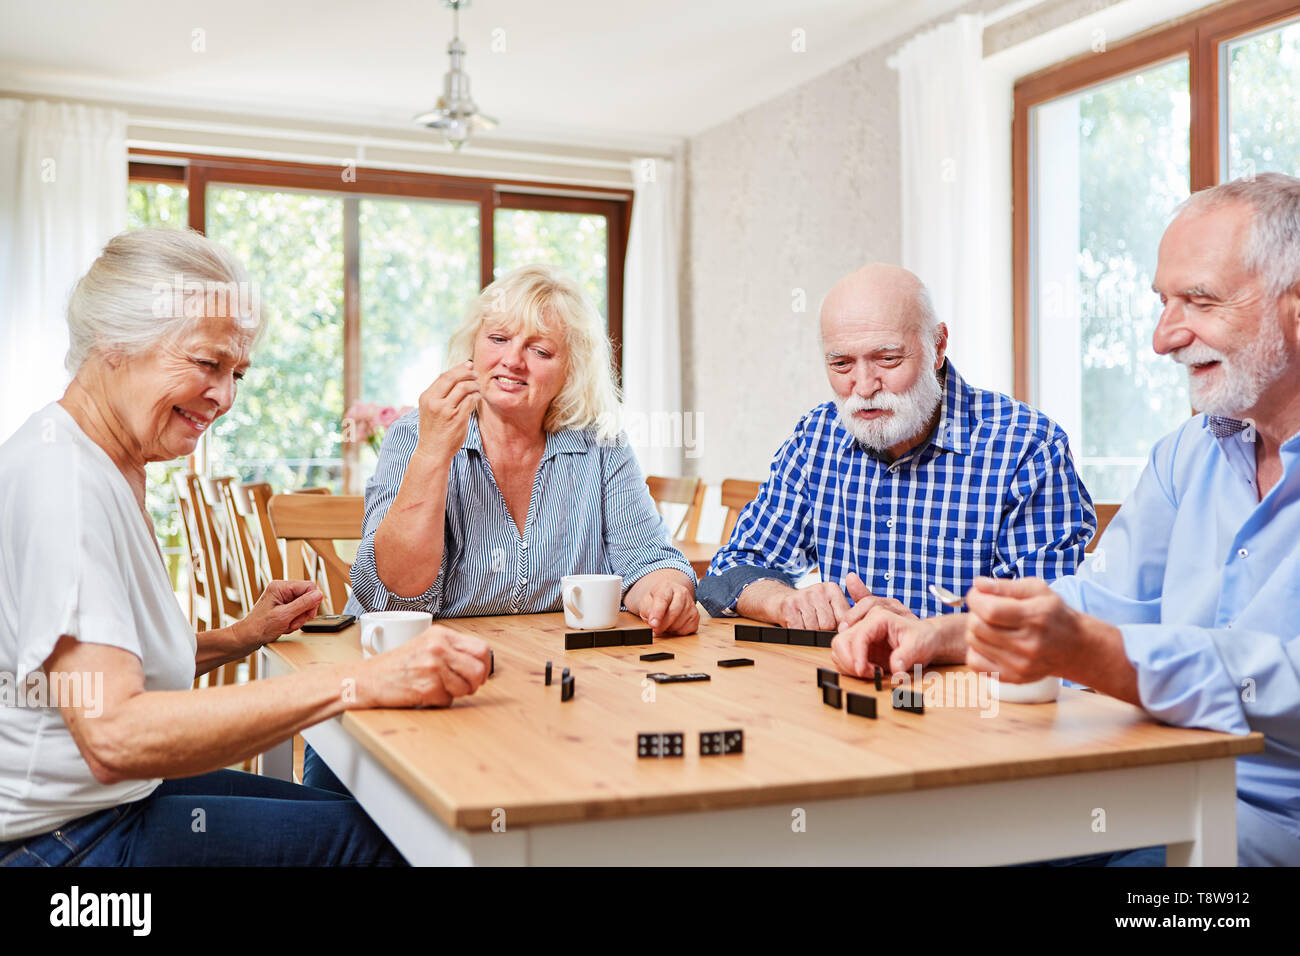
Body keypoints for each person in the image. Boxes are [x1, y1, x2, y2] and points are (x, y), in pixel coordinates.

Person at [837, 173, 1300, 867]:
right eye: (1162, 303)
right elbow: (1101, 600)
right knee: (930, 846)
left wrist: (1101, 655)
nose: (1162, 338)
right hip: (1153, 777)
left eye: (1198, 301)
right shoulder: (1187, 453)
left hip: (1268, 818)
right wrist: (946, 633)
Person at [0, 229, 491, 867]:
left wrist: (242, 635)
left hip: (104, 806)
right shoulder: (64, 484)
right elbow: (116, 733)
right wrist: (363, 679)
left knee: (387, 820)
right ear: (114, 342)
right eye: (207, 364)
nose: (226, 397)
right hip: (68, 845)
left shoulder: (100, 458)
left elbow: (109, 668)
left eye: (236, 373)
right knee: (401, 848)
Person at [697, 263, 1095, 674]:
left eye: (887, 359)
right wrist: (786, 600)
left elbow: (1047, 622)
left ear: (938, 346)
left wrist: (930, 635)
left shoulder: (1026, 446)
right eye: (841, 365)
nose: (865, 386)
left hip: (978, 707)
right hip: (855, 687)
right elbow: (732, 567)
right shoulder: (817, 435)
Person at [344, 264, 698, 634]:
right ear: (473, 346)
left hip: (550, 662)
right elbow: (394, 596)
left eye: (540, 350)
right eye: (498, 339)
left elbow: (649, 561)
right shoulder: (416, 433)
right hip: (421, 658)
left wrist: (665, 594)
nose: (512, 360)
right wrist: (433, 453)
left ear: (571, 371)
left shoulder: (602, 444)